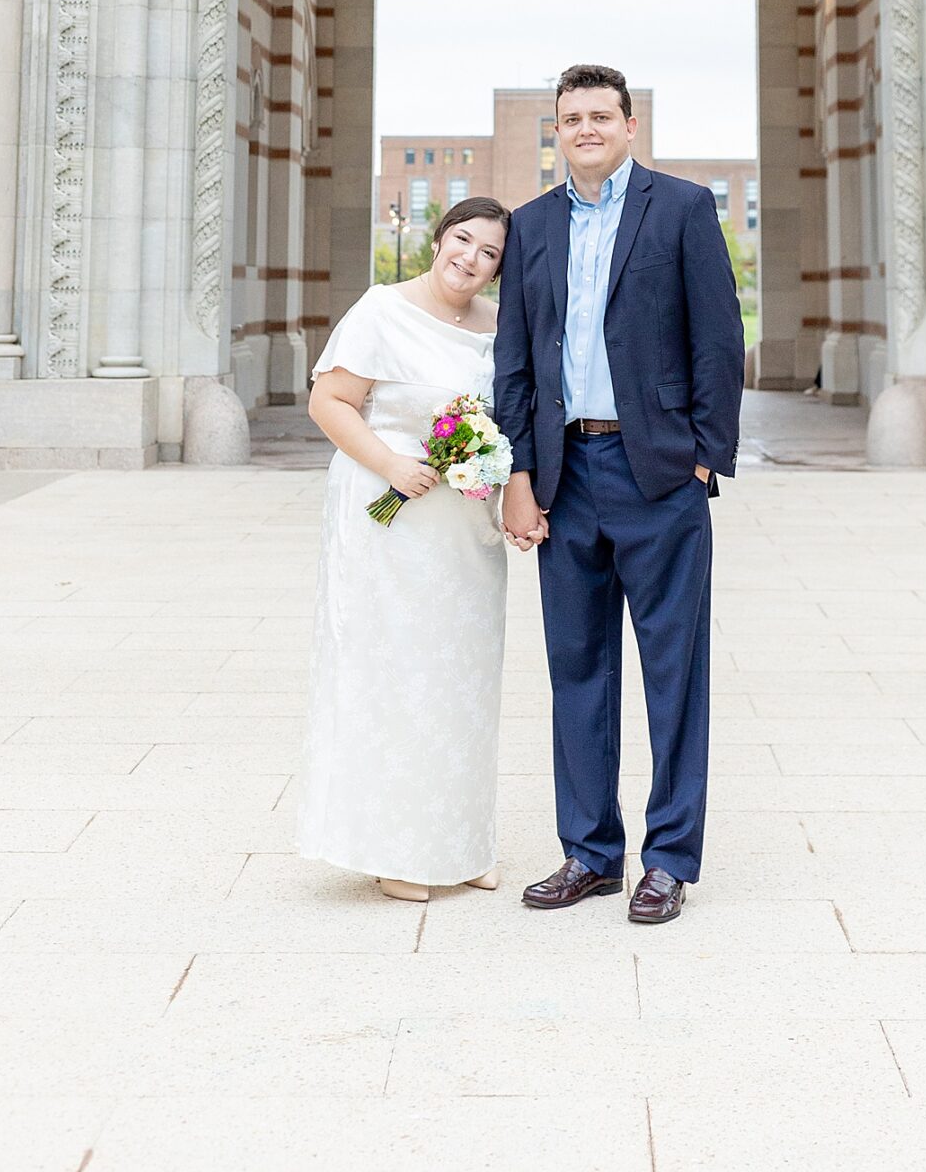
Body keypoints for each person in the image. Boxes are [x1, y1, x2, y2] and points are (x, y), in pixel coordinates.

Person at [494, 63, 744, 926]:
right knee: (577, 671)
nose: (586, 129)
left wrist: (705, 458)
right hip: (564, 476)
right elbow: (515, 362)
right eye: (571, 118)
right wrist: (518, 478)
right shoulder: (530, 227)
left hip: (657, 475)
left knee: (673, 671)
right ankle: (589, 854)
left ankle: (668, 858)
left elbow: (718, 337)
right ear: (555, 132)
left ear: (629, 126)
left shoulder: (677, 209)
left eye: (601, 115)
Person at [298, 198, 511, 902]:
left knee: (460, 681)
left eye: (488, 253)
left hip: (463, 533)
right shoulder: (381, 310)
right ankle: (394, 850)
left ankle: (460, 844)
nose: (470, 260)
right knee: (395, 676)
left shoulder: (497, 326)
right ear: (437, 237)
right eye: (462, 240)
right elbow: (330, 402)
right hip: (387, 522)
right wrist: (389, 466)